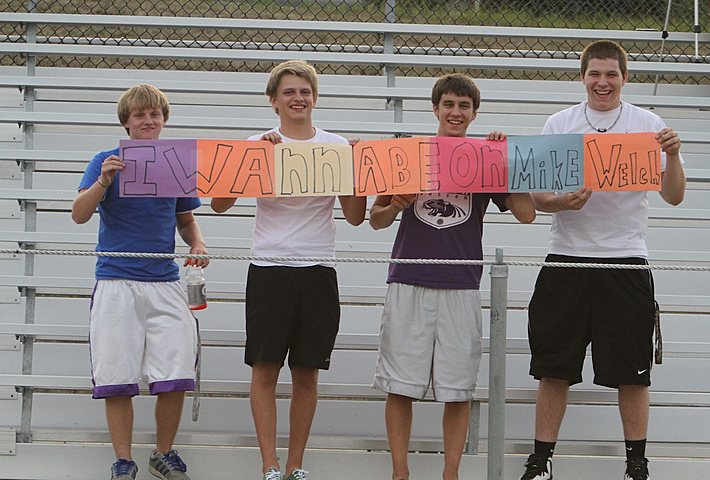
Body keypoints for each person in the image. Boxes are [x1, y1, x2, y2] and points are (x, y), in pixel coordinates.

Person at [518, 40, 685, 480]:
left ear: (624, 78)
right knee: (553, 368)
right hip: (567, 259)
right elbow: (539, 199)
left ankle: (636, 463)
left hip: (625, 260)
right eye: (595, 73)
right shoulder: (560, 123)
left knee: (633, 372)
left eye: (611, 74)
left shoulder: (648, 125)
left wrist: (672, 153)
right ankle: (541, 460)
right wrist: (564, 203)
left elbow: (674, 195)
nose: (603, 82)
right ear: (583, 77)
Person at [369, 73, 536, 480]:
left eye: (464, 106)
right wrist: (395, 203)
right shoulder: (408, 153)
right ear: (435, 109)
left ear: (475, 113)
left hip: (461, 283)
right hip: (408, 278)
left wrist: (507, 162)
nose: (456, 112)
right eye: (448, 105)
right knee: (399, 384)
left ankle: (451, 472)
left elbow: (527, 213)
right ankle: (400, 471)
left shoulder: (484, 156)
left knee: (458, 387)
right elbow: (375, 220)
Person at [211, 60, 366, 480]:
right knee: (264, 368)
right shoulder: (258, 142)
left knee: (307, 370)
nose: (298, 98)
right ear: (273, 100)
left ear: (315, 98)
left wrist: (355, 169)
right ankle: (269, 464)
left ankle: (296, 463)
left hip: (318, 268)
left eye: (305, 91)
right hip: (269, 267)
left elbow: (354, 216)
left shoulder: (335, 145)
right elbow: (219, 204)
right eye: (289, 92)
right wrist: (251, 160)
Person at [71, 84, 209, 480]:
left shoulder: (173, 162)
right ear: (126, 122)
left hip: (164, 281)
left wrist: (197, 242)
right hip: (116, 280)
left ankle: (163, 454)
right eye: (140, 115)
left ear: (164, 119)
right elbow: (79, 214)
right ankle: (123, 460)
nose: (148, 121)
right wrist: (104, 181)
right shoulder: (104, 159)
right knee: (117, 375)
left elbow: (186, 219)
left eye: (155, 115)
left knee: (176, 371)